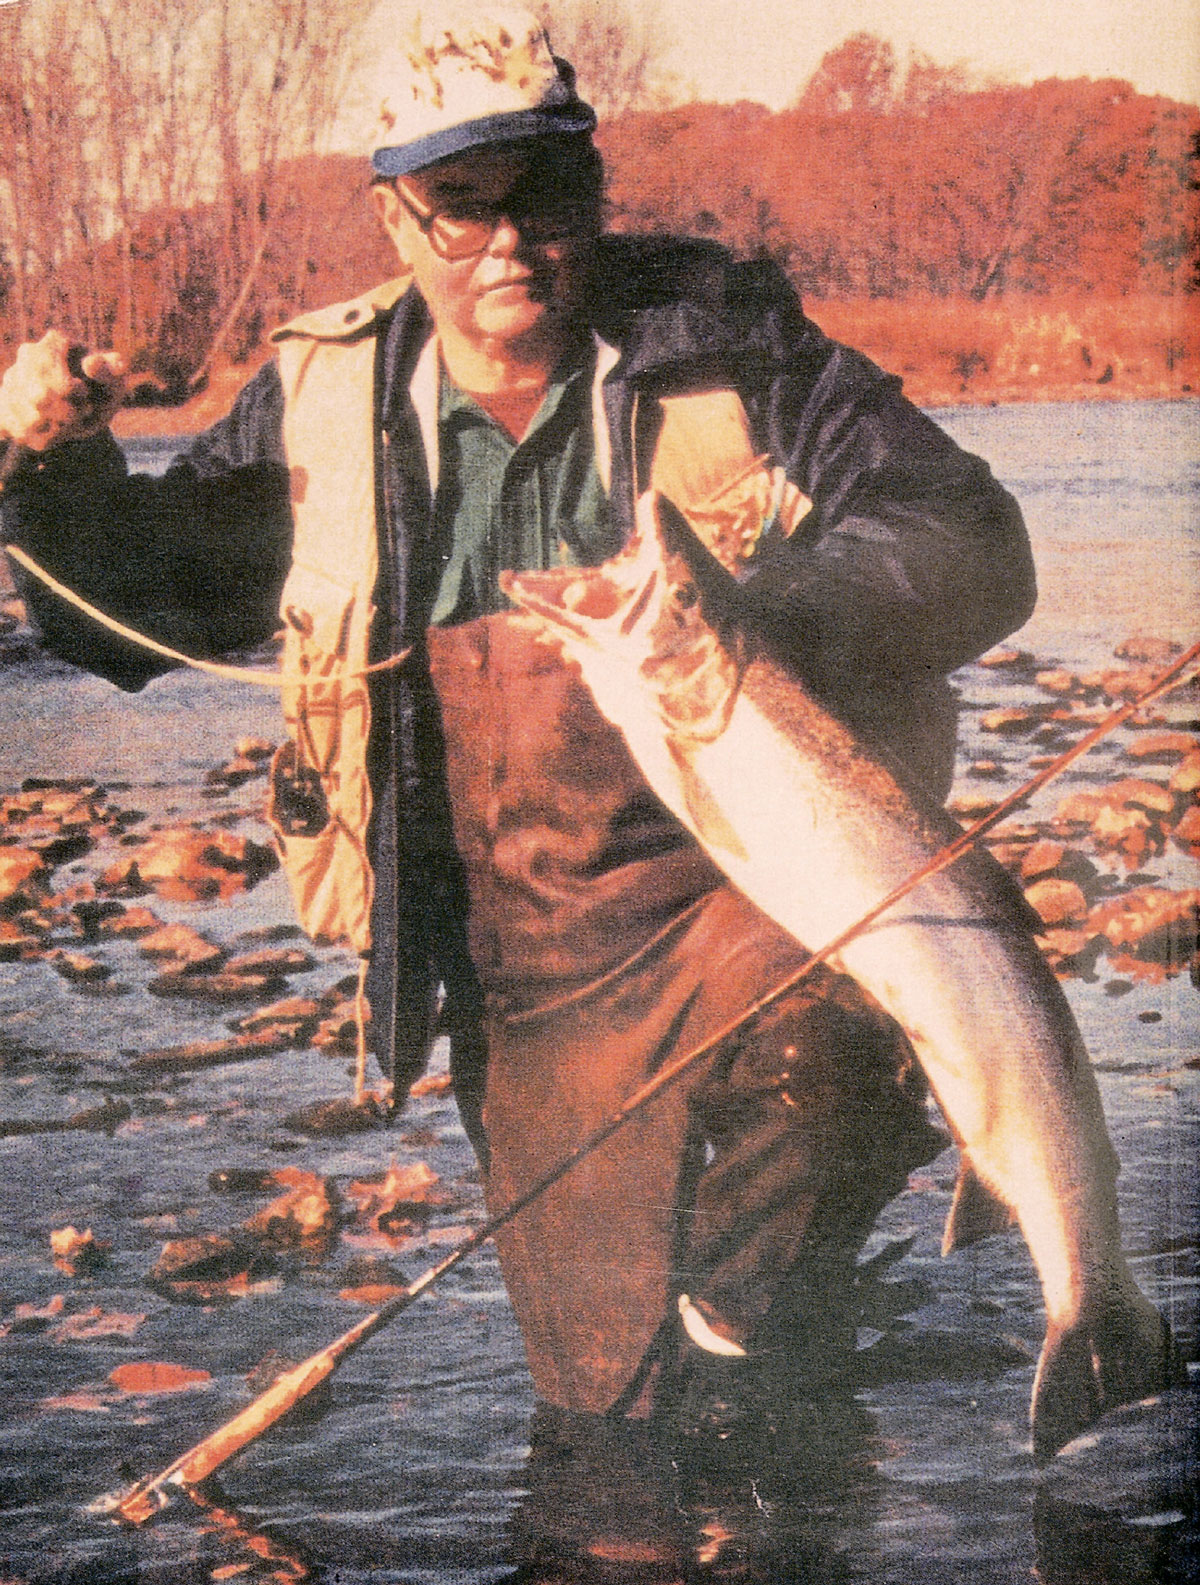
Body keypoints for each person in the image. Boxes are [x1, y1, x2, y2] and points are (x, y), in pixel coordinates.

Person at [0, 5, 1037, 1439]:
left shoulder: (726, 341)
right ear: (397, 218)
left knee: (824, 1072)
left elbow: (976, 538)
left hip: (750, 896)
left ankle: (771, 1370)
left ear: (593, 189)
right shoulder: (323, 396)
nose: (509, 240)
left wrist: (756, 622)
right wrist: (51, 472)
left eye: (542, 194)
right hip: (524, 990)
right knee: (609, 1431)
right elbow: (111, 620)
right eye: (462, 203)